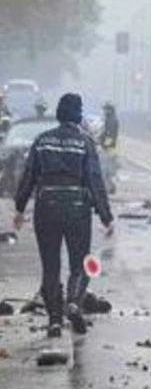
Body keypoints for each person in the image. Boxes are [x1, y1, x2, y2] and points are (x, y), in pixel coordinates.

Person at [10, 92, 114, 337]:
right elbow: (94, 181)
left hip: (46, 205)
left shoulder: (42, 141)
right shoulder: (85, 142)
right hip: (77, 207)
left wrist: (19, 208)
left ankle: (55, 320)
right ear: (78, 115)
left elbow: (29, 176)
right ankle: (74, 303)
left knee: (50, 266)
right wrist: (106, 216)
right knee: (81, 263)